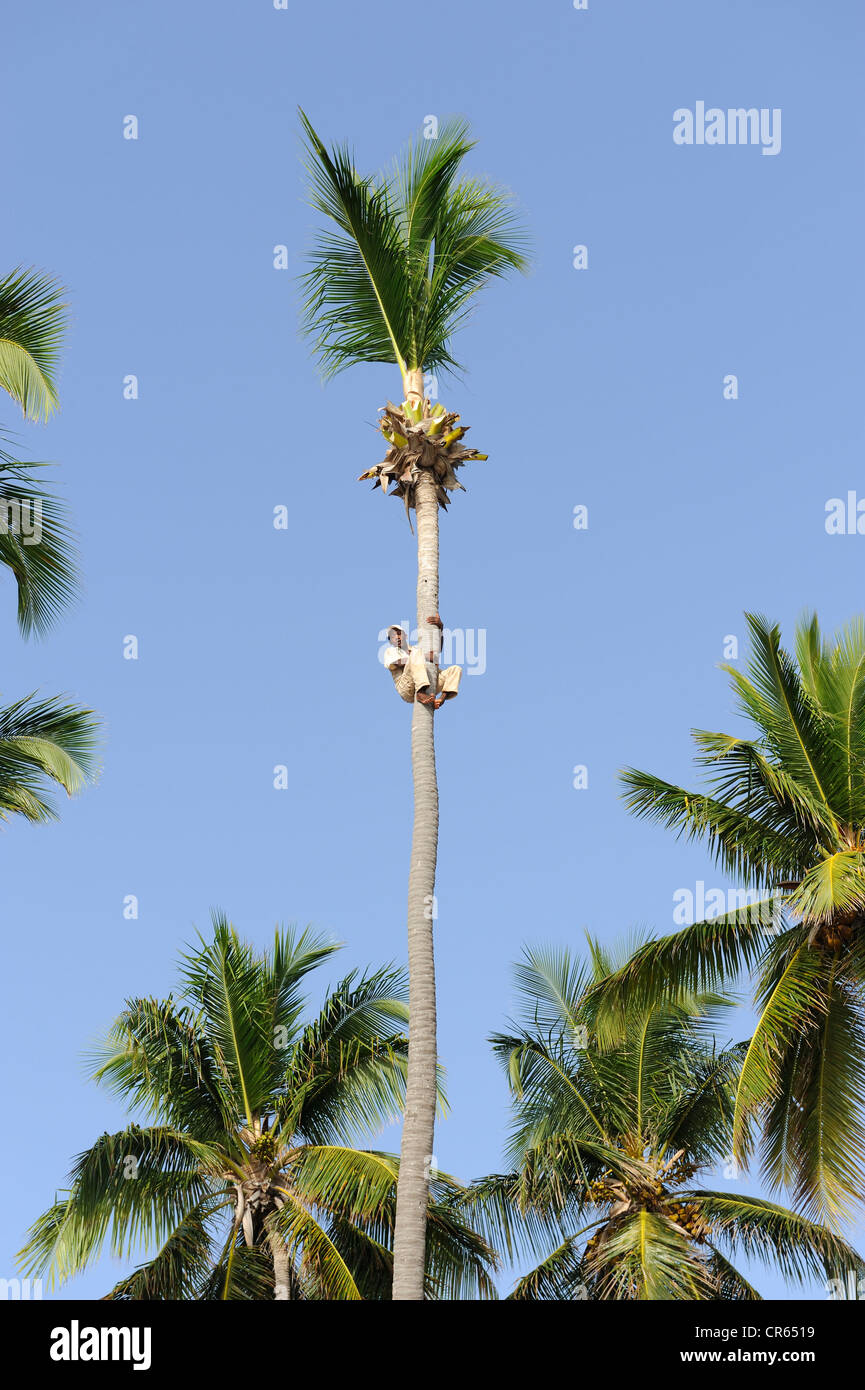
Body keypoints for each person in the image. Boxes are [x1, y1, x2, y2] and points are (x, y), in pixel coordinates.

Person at [383, 615, 461, 708]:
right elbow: (399, 663)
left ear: (405, 635)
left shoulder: (416, 650)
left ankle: (440, 700)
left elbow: (437, 650)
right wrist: (425, 656)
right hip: (407, 688)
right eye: (392, 636)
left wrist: (440, 628)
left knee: (455, 669)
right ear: (391, 641)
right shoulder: (390, 651)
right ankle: (420, 692)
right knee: (417, 653)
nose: (396, 637)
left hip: (427, 681)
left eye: (399, 633)